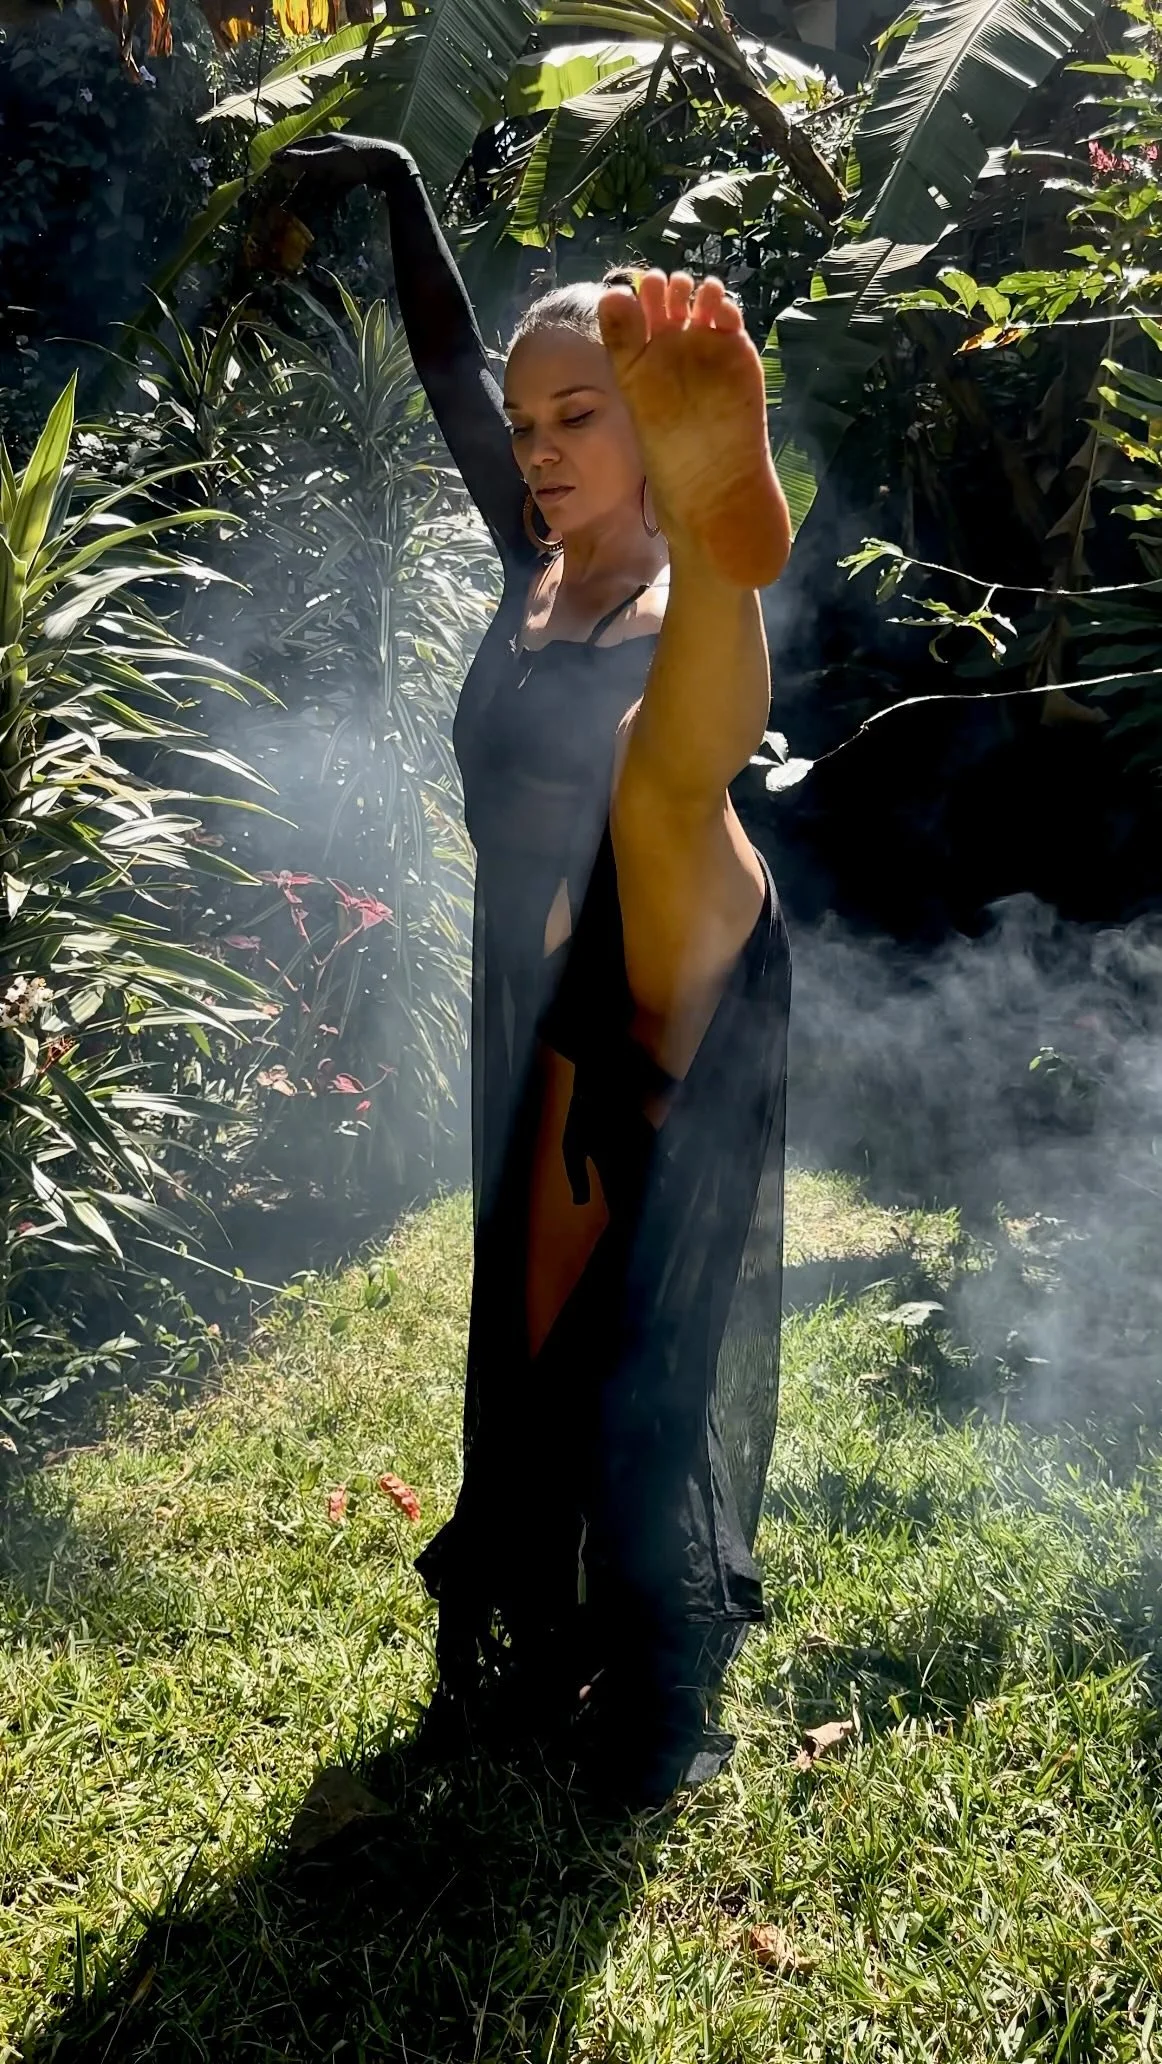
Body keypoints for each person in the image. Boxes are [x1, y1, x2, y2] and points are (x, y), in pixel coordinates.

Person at [276, 133, 793, 1808]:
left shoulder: (649, 609)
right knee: (539, 1316)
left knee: (624, 1324)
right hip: (536, 982)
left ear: (653, 429)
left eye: (582, 415)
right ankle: (548, 1618)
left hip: (664, 954)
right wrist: (396, 184)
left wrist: (706, 529)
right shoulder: (533, 564)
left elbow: (699, 754)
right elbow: (450, 366)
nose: (541, 447)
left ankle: (645, 1675)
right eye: (528, 424)